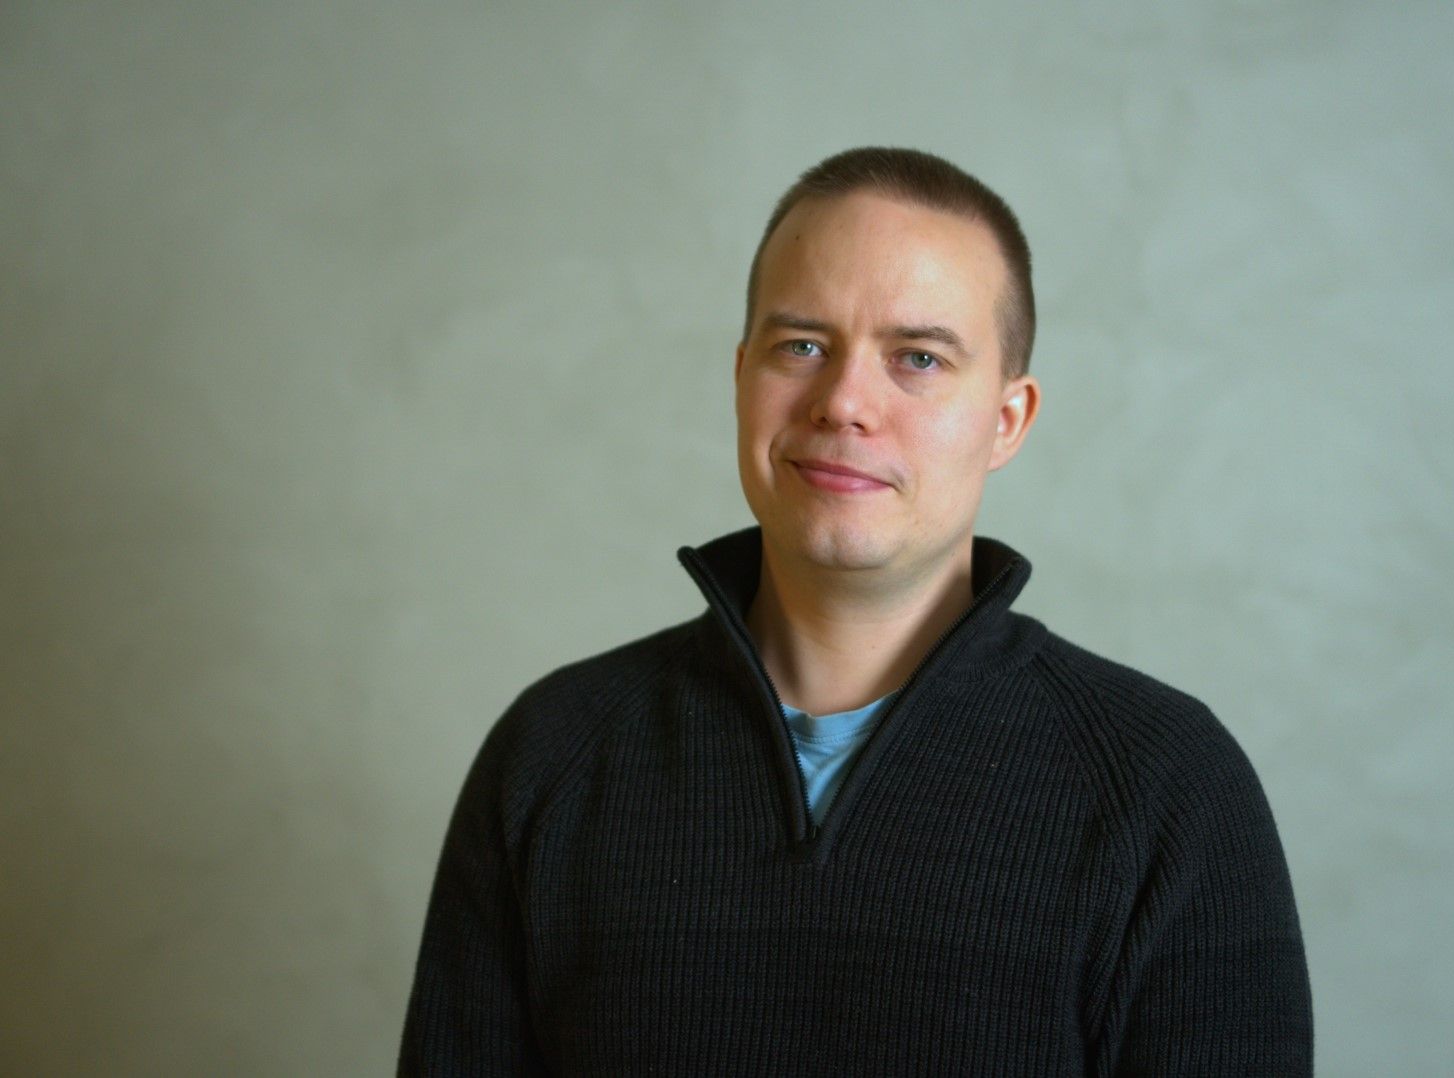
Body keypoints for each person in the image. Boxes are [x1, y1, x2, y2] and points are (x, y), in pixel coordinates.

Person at [399, 147, 1312, 1076]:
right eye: (801, 346)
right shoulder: (552, 754)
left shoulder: (1166, 788)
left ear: (1006, 420)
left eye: (918, 358)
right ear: (741, 376)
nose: (842, 403)